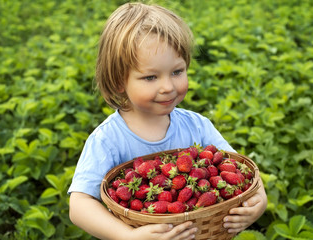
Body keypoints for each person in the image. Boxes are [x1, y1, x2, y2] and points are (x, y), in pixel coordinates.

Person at [68, 2, 267, 240]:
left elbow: (242, 170)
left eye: (177, 72)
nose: (168, 87)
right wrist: (128, 236)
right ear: (120, 81)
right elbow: (79, 206)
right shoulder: (108, 140)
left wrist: (259, 199)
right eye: (150, 77)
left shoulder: (197, 126)